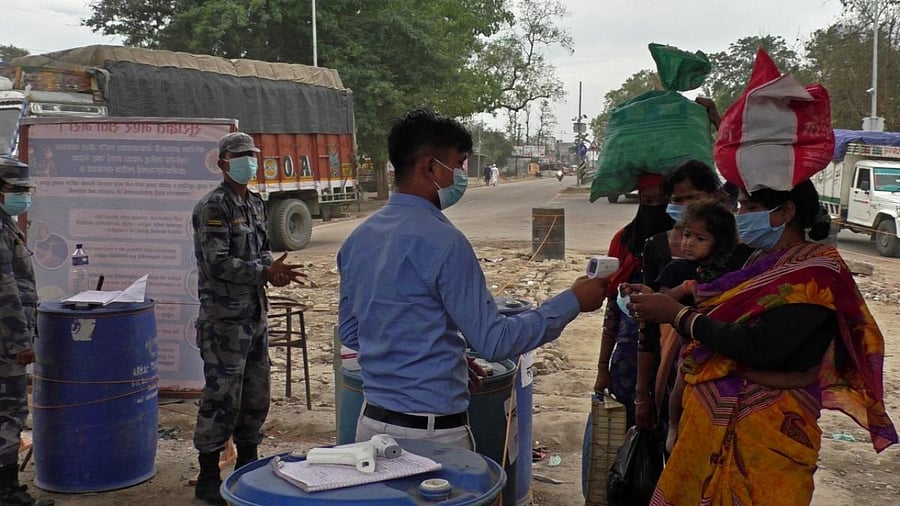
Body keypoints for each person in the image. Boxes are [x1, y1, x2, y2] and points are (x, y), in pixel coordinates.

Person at [337, 109, 609, 450]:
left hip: (370, 428)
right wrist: (572, 302)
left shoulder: (358, 239)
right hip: (433, 436)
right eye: (459, 165)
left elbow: (352, 332)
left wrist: (436, 355)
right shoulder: (444, 242)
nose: (460, 177)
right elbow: (494, 342)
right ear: (431, 167)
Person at [628, 179, 898, 504]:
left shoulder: (816, 271)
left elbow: (764, 346)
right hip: (714, 420)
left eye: (749, 208)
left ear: (785, 212)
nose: (739, 215)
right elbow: (715, 317)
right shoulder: (760, 264)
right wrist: (666, 305)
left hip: (770, 429)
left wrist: (678, 315)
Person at [191, 132, 306, 505]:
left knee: (256, 396)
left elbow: (263, 256)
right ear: (223, 162)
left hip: (254, 318)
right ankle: (208, 477)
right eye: (240, 156)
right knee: (221, 398)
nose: (249, 163)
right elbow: (217, 262)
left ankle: (248, 467)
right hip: (224, 322)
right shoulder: (214, 207)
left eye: (252, 156)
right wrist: (264, 273)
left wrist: (275, 270)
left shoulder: (255, 204)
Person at [635, 161, 754, 430]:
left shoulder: (742, 259)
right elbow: (651, 321)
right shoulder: (661, 251)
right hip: (673, 359)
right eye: (678, 199)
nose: (685, 205)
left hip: (723, 370)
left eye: (693, 197)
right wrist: (642, 390)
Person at [593, 173, 673, 426]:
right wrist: (602, 368)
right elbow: (612, 309)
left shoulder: (686, 244)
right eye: (648, 202)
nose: (654, 209)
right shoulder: (624, 241)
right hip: (628, 360)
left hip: (671, 356)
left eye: (661, 202)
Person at [0, 157, 53, 506]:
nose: (22, 196)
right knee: (9, 412)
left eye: (26, 189)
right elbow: (5, 290)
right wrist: (20, 341)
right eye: (15, 190)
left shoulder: (6, 225)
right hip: (5, 341)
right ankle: (7, 492)